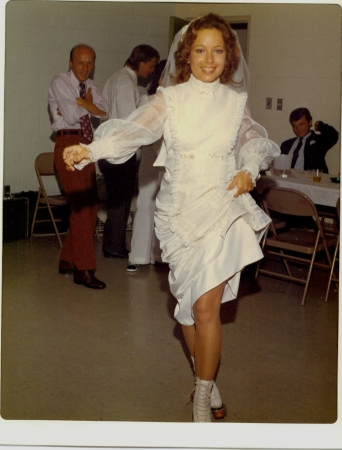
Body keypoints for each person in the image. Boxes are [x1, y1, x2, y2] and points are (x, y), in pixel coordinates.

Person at [63, 14, 280, 421]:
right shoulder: (170, 99)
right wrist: (90, 151)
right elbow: (134, 129)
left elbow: (253, 138)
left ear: (228, 56)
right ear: (187, 54)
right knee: (187, 311)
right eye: (200, 50)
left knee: (206, 310)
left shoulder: (235, 103)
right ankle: (209, 381)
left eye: (218, 50)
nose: (209, 59)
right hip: (179, 215)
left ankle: (200, 399)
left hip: (221, 209)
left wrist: (248, 168)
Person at [48, 43, 109, 289]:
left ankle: (67, 260)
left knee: (90, 207)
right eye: (80, 62)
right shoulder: (60, 81)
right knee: (82, 209)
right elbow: (72, 118)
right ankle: (83, 269)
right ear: (70, 62)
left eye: (89, 63)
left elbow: (105, 112)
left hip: (87, 145)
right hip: (67, 143)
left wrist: (82, 102)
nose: (85, 68)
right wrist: (86, 105)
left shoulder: (90, 87)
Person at [99, 45, 160, 259]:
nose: (152, 70)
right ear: (140, 61)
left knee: (120, 199)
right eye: (151, 65)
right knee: (120, 200)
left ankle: (113, 244)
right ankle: (114, 246)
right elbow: (128, 121)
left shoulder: (117, 78)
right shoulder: (125, 82)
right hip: (118, 151)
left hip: (112, 149)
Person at [126, 60, 167, 273]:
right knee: (145, 203)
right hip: (151, 157)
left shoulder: (179, 102)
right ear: (159, 78)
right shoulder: (147, 100)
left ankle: (159, 255)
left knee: (164, 206)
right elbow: (138, 131)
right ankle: (139, 255)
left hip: (170, 160)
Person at [280, 107, 338, 174]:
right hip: (287, 181)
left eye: (301, 124)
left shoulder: (319, 142)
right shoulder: (286, 144)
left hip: (310, 181)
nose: (298, 129)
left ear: (310, 122)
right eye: (294, 126)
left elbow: (334, 135)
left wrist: (320, 126)